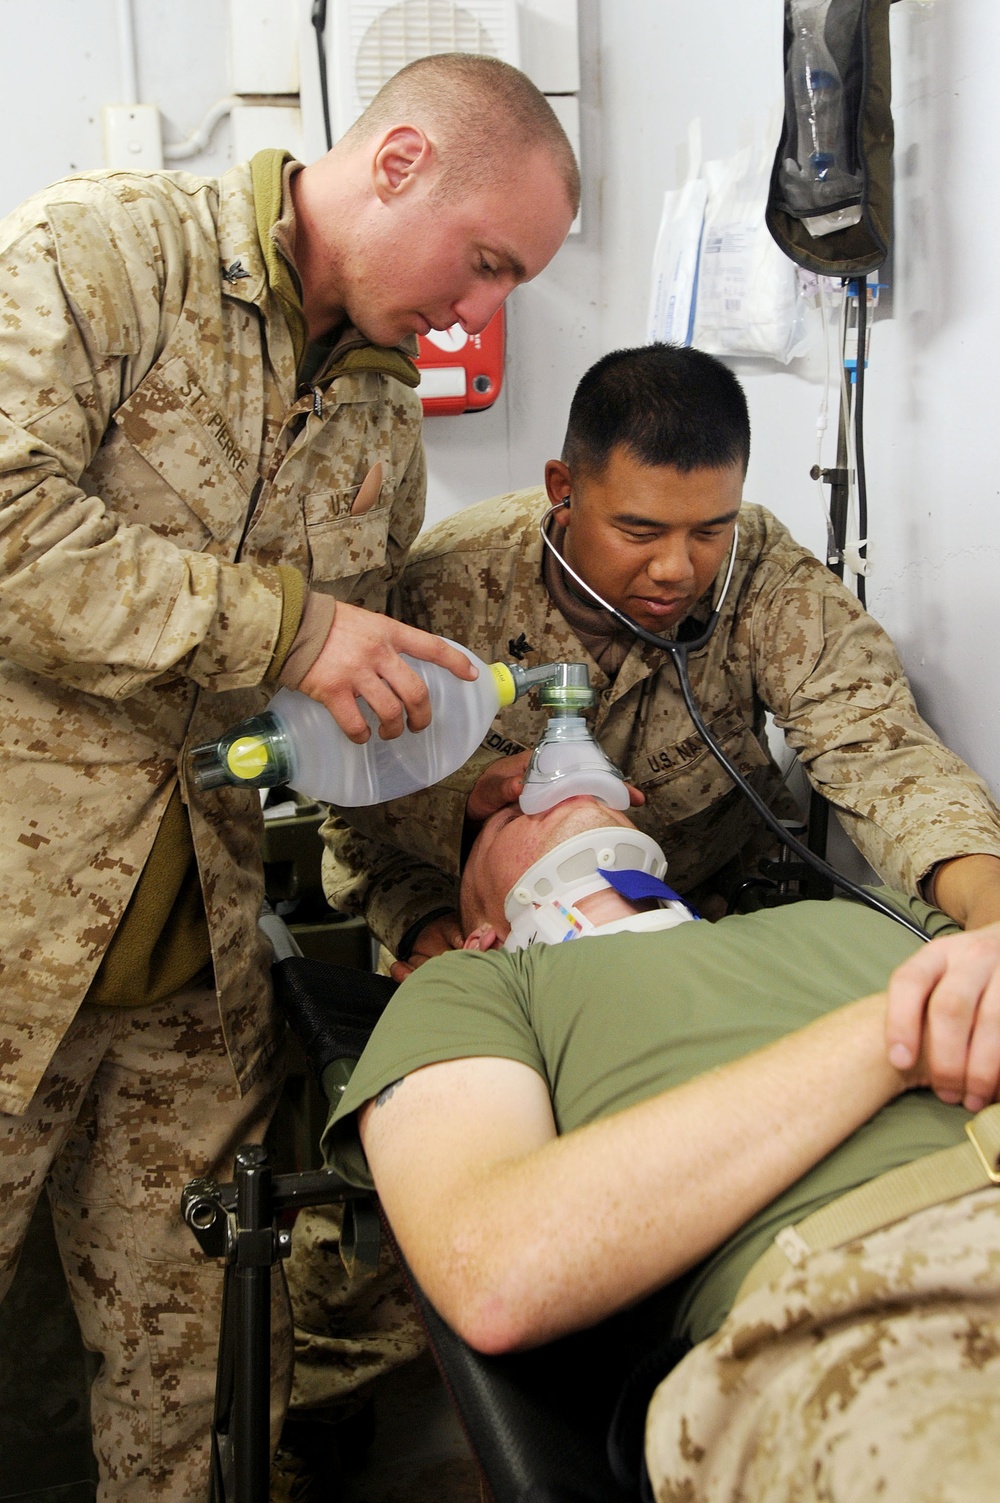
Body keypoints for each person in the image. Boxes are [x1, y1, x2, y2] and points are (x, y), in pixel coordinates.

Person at [0, 52, 577, 1499]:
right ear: (396, 166)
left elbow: (343, 723)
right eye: (487, 261)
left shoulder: (385, 422)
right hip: (15, 936)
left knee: (200, 1399)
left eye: (515, 285)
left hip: (189, 992)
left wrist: (468, 826)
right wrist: (290, 623)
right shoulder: (112, 252)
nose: (483, 311)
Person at [322, 342, 1000, 1112]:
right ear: (564, 490)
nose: (678, 568)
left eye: (708, 529)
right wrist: (427, 923)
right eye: (640, 531)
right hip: (487, 959)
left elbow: (881, 753)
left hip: (698, 942)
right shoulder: (443, 592)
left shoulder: (763, 576)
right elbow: (356, 805)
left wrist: (992, 917)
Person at [322, 793, 1000, 1502]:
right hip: (865, 1316)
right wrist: (890, 1040)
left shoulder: (868, 909)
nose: (565, 785)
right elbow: (496, 1269)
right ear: (481, 929)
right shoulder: (479, 985)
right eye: (512, 810)